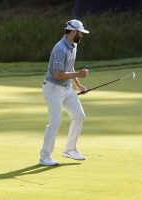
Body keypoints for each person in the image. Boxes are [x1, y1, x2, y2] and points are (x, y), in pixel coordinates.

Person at [39, 19, 90, 166]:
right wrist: (78, 74)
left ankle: (70, 149)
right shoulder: (60, 49)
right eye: (80, 33)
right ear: (73, 32)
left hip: (67, 88)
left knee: (79, 116)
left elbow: (70, 68)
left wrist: (78, 85)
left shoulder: (73, 46)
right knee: (55, 122)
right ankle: (44, 156)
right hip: (53, 88)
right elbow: (57, 75)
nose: (82, 36)